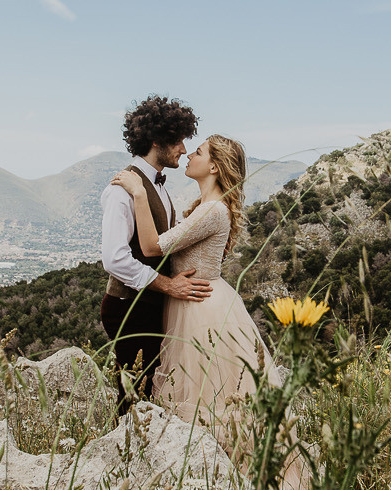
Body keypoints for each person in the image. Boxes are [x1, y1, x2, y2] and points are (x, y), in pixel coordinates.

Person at [113, 133, 275, 446]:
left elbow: (151, 246)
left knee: (205, 394)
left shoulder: (212, 210)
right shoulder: (206, 206)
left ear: (214, 167)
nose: (189, 155)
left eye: (198, 152)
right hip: (197, 299)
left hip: (200, 309)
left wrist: (139, 193)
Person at [99, 96, 211, 413]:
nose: (184, 149)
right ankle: (124, 456)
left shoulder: (157, 185)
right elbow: (115, 258)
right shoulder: (122, 189)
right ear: (155, 139)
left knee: (147, 392)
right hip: (127, 308)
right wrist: (167, 285)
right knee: (132, 395)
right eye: (177, 140)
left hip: (149, 306)